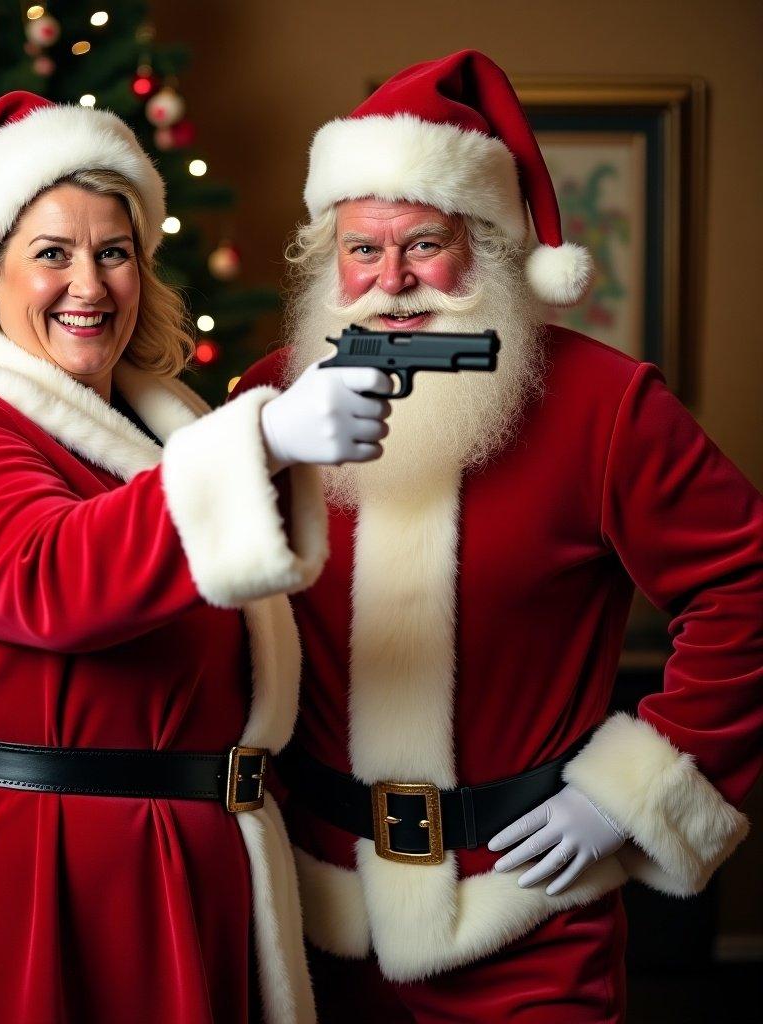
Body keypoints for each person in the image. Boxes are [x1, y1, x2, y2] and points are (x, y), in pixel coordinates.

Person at [0, 92, 393, 1024]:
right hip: (29, 875)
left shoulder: (162, 426)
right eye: (52, 254)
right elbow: (47, 578)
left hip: (182, 863)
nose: (89, 284)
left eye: (114, 252)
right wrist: (264, 443)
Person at [233, 50, 763, 1022]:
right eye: (361, 249)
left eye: (422, 244)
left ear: (484, 242)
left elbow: (747, 585)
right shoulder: (268, 400)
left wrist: (633, 790)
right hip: (309, 913)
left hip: (524, 916)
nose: (389, 281)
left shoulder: (607, 407)